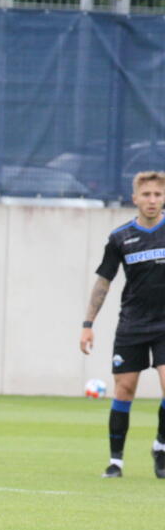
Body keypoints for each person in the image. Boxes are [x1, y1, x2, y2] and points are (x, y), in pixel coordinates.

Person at [80, 170, 165, 478]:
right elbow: (104, 281)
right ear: (135, 199)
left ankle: (161, 445)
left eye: (157, 194)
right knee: (124, 390)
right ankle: (116, 462)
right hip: (133, 324)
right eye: (147, 195)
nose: (152, 200)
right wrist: (88, 323)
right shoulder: (120, 238)